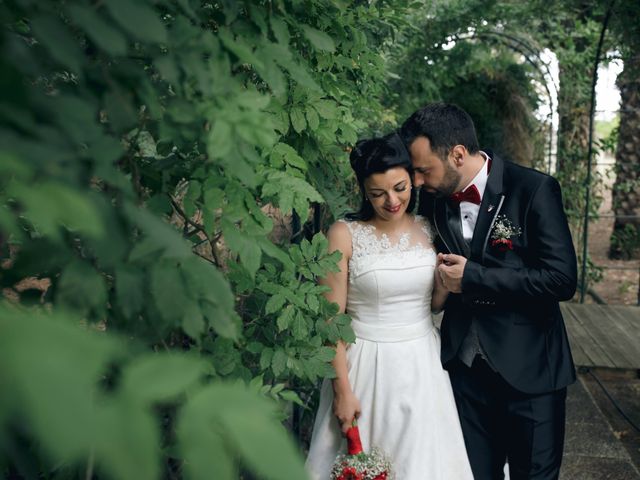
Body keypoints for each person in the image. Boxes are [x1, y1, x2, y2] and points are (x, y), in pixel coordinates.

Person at [400, 102, 577, 480]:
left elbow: (561, 279)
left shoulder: (533, 189)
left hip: (531, 373)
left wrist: (475, 277)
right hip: (465, 373)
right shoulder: (433, 198)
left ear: (458, 154)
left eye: (422, 170)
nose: (416, 182)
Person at [305, 132, 473, 479]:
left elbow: (433, 304)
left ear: (412, 178)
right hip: (364, 364)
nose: (392, 201)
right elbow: (330, 318)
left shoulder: (430, 227)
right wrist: (342, 391)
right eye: (378, 194)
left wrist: (444, 287)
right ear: (364, 192)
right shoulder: (343, 233)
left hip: (422, 365)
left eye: (400, 187)